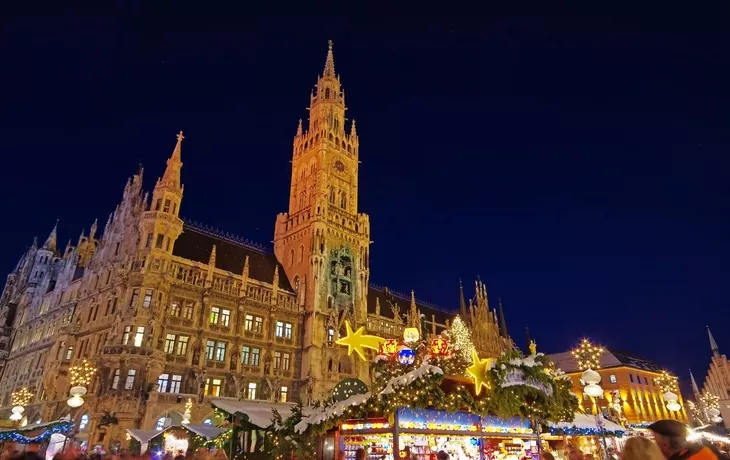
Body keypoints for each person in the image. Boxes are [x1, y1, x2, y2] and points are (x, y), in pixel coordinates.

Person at [648, 419, 724, 460]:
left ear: (664, 444)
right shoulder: (702, 451)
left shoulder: (696, 457)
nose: (653, 443)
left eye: (655, 439)